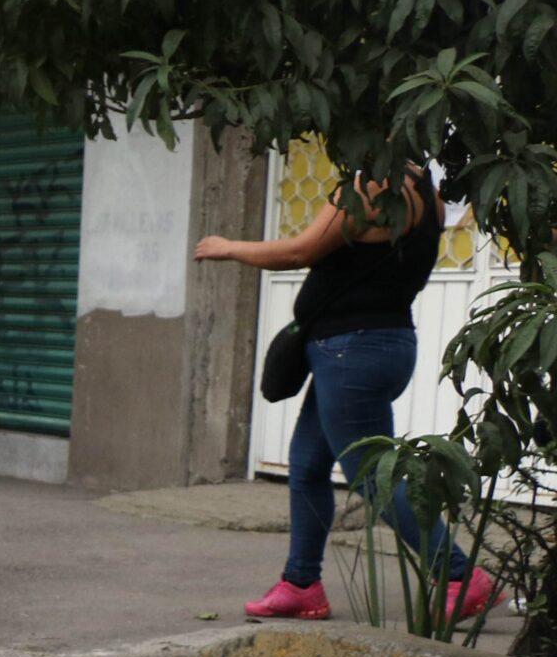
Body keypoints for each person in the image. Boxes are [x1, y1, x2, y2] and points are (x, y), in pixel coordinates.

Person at [196, 164, 503, 622]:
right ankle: (301, 584)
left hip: (352, 350)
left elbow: (300, 251)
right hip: (374, 344)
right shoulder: (428, 190)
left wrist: (227, 248)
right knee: (307, 464)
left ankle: (460, 576)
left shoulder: (375, 183)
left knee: (372, 476)